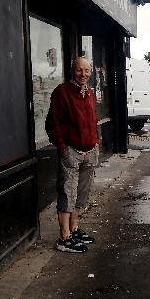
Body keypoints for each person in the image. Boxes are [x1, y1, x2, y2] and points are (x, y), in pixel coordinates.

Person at [46, 56, 100, 253]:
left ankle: (75, 229)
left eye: (86, 71)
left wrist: (96, 141)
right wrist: (62, 147)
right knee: (67, 194)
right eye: (79, 70)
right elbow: (53, 123)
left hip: (90, 150)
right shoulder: (62, 92)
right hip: (71, 151)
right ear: (72, 71)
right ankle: (64, 236)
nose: (83, 74)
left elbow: (93, 119)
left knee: (81, 194)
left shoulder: (90, 92)